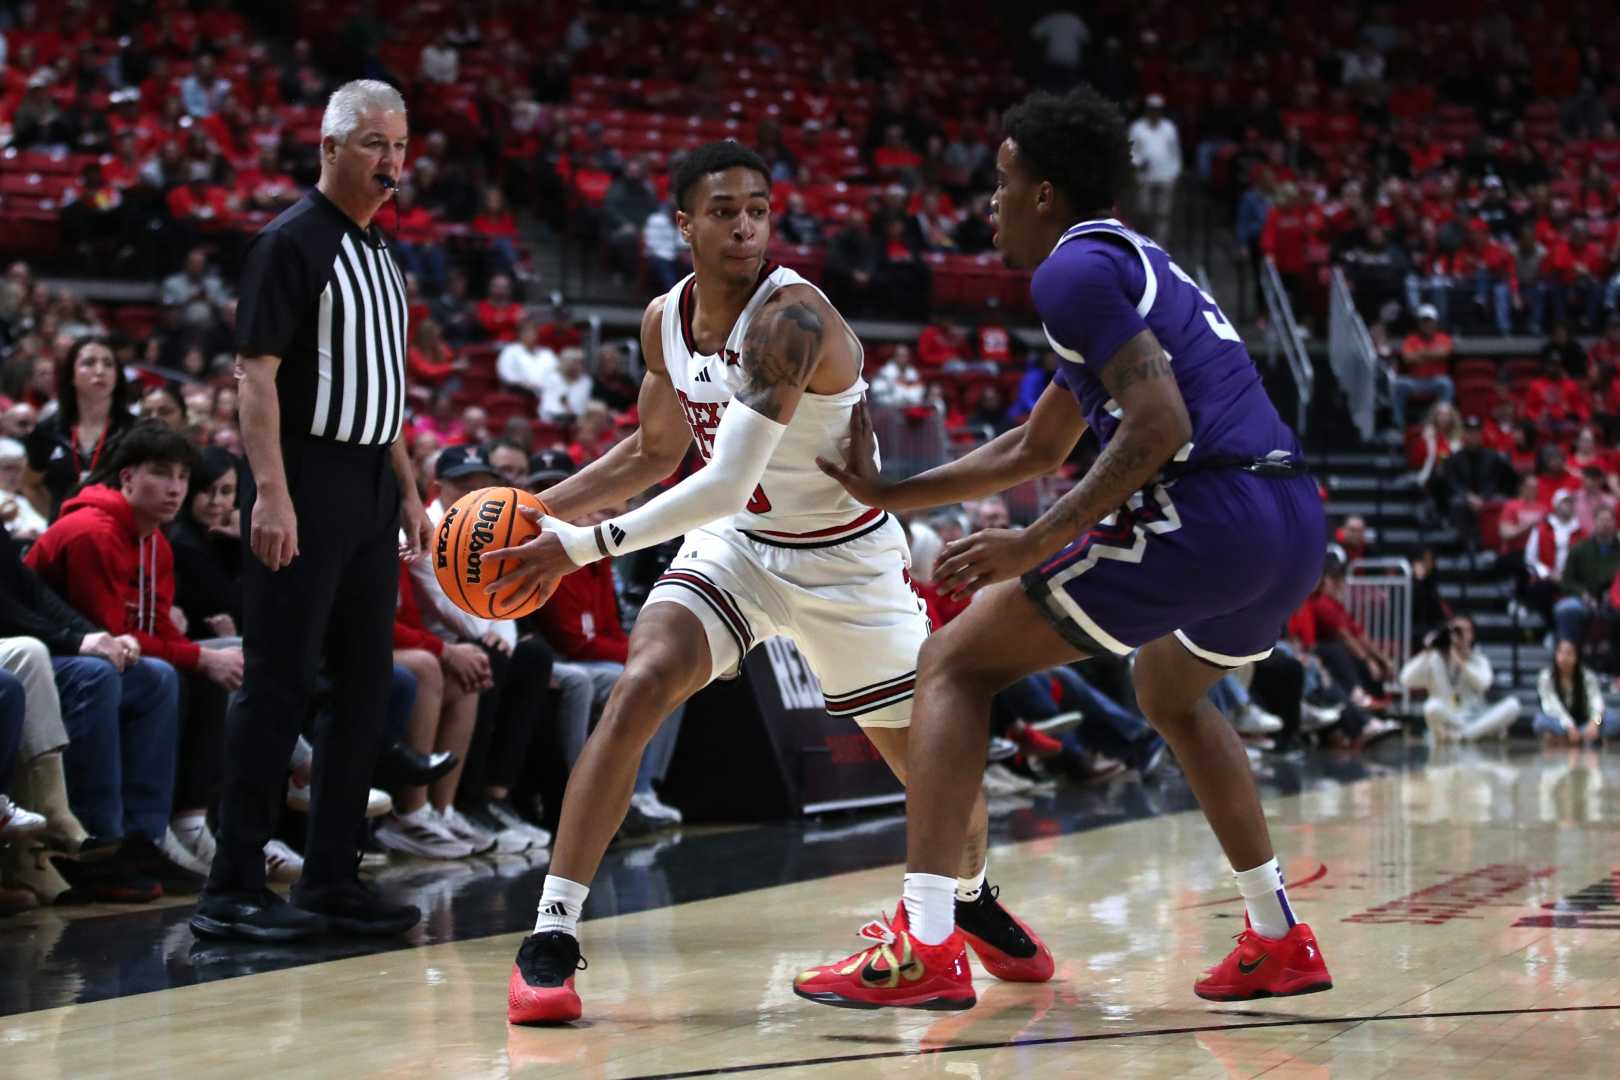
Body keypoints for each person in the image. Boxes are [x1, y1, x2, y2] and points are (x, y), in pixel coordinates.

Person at [489, 141, 1053, 1024]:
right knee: (638, 686)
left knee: (946, 787)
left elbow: (714, 476)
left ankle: (968, 895)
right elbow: (651, 454)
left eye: (757, 206)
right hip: (739, 545)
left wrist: (577, 546)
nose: (745, 223)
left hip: (845, 557)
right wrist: (529, 513)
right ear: (683, 224)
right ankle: (552, 932)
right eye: (723, 210)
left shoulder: (790, 318)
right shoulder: (661, 322)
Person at [798, 86, 1332, 1008]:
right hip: (1290, 516)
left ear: (1045, 193)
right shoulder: (1126, 266)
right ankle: (1279, 936)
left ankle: (926, 944)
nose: (991, 203)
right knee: (1170, 692)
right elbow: (1036, 447)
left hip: (1211, 508)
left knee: (954, 662)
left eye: (1003, 183)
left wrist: (1034, 540)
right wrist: (894, 491)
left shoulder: (1070, 273)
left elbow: (1157, 425)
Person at [192, 80, 433, 943]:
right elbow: (255, 378)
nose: (392, 162)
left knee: (367, 688)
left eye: (401, 146)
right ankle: (232, 887)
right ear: (329, 148)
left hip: (369, 483)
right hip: (302, 475)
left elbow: (388, 392)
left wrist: (406, 491)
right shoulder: (289, 243)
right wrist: (272, 495)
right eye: (375, 144)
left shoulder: (381, 253)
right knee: (280, 682)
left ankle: (333, 874)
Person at [22, 337, 137, 519]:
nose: (100, 371)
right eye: (89, 363)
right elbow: (29, 484)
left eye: (108, 364)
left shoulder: (136, 430)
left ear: (117, 376)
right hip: (65, 537)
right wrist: (58, 518)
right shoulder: (47, 430)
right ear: (71, 375)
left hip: (118, 536)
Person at [1399, 616, 1518, 741]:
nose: (1459, 635)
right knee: (1431, 707)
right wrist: (1427, 650)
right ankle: (1473, 734)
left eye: (1464, 631)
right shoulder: (1433, 659)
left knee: (1512, 705)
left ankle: (1464, 735)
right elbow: (1406, 679)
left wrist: (1460, 661)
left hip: (1475, 716)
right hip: (1449, 717)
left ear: (1471, 635)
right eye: (1455, 631)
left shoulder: (1478, 659)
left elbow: (1484, 684)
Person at [1553, 505, 1620, 652]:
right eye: (1602, 520)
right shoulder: (1579, 549)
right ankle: (1569, 657)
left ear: (1615, 524)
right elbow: (1566, 582)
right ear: (1594, 522)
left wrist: (1613, 595)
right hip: (1585, 598)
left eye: (1609, 520)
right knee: (1565, 609)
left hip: (1615, 600)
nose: (1605, 524)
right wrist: (1583, 594)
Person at [1534, 639, 1619, 745]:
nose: (1564, 658)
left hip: (1586, 723)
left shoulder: (1587, 676)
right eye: (1561, 653)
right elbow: (1552, 706)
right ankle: (1583, 739)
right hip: (1561, 724)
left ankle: (1568, 740)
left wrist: (1595, 722)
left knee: (1614, 718)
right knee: (1540, 721)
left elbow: (1597, 702)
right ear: (1556, 655)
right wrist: (1569, 726)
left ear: (1576, 657)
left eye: (1569, 653)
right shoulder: (1546, 678)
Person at [1391, 305, 1455, 429]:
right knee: (1397, 384)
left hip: (1435, 381)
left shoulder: (1443, 338)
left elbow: (1444, 354)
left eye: (1430, 321)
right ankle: (1398, 423)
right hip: (1415, 381)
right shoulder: (1411, 339)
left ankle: (1444, 422)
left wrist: (1420, 353)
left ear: (1435, 322)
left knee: (1446, 383)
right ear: (1419, 323)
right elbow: (1407, 358)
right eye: (1424, 321)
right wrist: (1432, 353)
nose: (1427, 325)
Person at [1128, 94, 1181, 243]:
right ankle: (1143, 242)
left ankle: (1160, 246)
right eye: (1152, 109)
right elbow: (1131, 152)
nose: (1154, 112)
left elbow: (1175, 153)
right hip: (1144, 178)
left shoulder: (1169, 128)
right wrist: (1138, 162)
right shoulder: (1137, 128)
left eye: (1157, 110)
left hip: (1165, 177)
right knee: (1144, 212)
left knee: (1162, 215)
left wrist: (1174, 174)